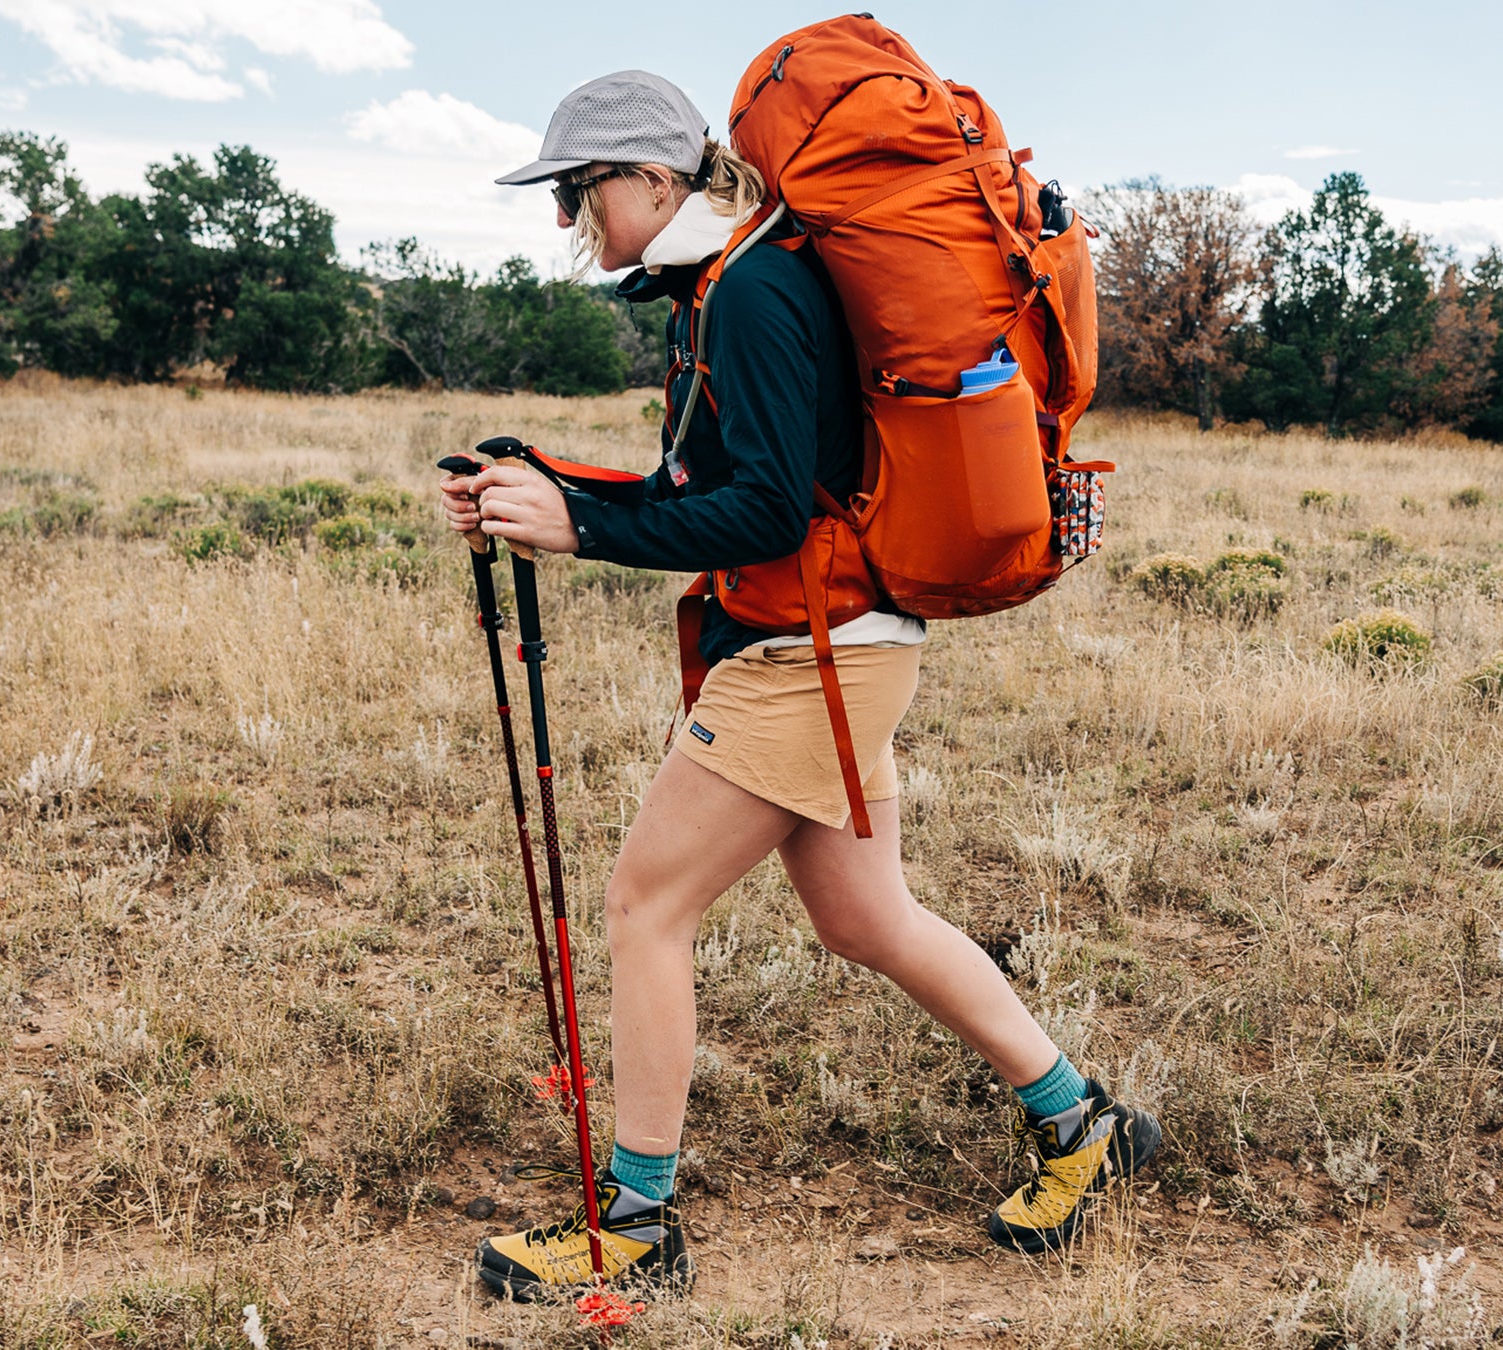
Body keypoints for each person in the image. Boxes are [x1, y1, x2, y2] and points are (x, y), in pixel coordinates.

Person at [440, 69, 1160, 1301]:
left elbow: (768, 513)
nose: (564, 217)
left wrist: (580, 527)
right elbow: (700, 491)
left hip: (811, 653)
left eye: (576, 190)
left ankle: (635, 1227)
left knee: (645, 908)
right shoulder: (717, 284)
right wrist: (550, 489)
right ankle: (1083, 1125)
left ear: (651, 178)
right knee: (868, 920)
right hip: (838, 644)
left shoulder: (754, 290)